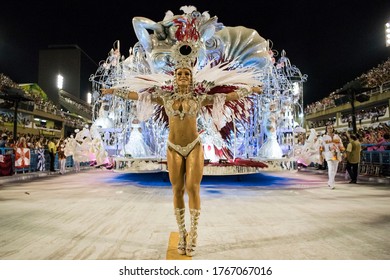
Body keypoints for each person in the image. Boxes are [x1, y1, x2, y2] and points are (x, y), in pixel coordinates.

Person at [102, 50, 262, 256]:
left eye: (187, 73)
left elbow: (227, 96)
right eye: (179, 73)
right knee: (177, 189)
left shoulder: (200, 98)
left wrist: (250, 90)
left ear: (191, 77)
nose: (183, 76)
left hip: (194, 145)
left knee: (192, 188)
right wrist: (114, 91)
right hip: (173, 147)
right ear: (175, 77)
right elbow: (138, 96)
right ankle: (182, 232)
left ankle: (194, 232)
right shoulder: (164, 97)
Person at [319, 124, 345, 189]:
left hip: (336, 154)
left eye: (331, 128)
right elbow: (321, 147)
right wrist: (320, 155)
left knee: (335, 169)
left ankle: (330, 181)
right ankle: (331, 183)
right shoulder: (324, 137)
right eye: (328, 128)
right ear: (326, 129)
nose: (330, 129)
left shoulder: (337, 137)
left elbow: (341, 145)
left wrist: (343, 152)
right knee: (331, 169)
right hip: (328, 155)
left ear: (333, 128)